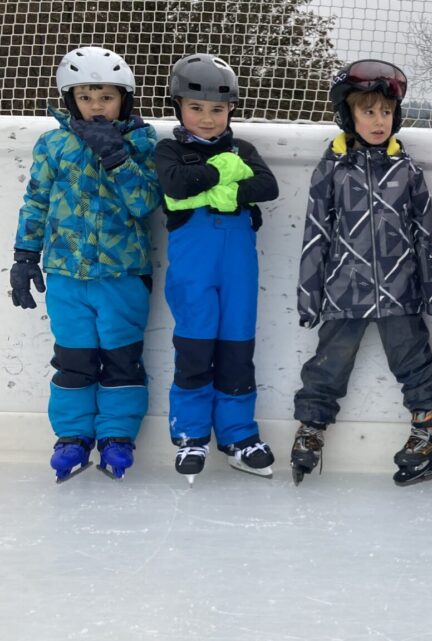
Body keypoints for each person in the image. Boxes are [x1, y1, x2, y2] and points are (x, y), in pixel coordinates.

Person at [292, 60, 432, 487]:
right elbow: (315, 234)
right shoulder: (332, 170)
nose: (378, 121)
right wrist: (309, 296)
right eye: (368, 111)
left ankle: (428, 428)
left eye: (385, 112)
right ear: (348, 116)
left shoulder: (407, 171)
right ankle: (310, 428)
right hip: (344, 291)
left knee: (414, 360)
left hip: (400, 292)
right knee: (329, 363)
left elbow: (426, 235)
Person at [12, 46, 161, 482]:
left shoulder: (141, 142)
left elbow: (146, 203)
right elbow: (36, 201)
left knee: (121, 360)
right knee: (73, 359)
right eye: (86, 96)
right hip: (66, 276)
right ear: (70, 98)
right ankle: (73, 435)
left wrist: (117, 157)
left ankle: (116, 434)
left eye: (107, 97)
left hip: (123, 276)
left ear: (124, 99)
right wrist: (25, 256)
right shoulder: (54, 144)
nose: (96, 106)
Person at [158, 53, 279, 485]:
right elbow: (174, 184)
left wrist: (219, 188)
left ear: (230, 110)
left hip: (239, 271)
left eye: (217, 109)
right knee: (194, 348)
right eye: (196, 108)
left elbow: (266, 185)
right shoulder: (170, 149)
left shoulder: (243, 148)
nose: (207, 119)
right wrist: (223, 171)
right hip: (194, 271)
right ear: (178, 107)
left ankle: (238, 435)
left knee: (236, 351)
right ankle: (191, 434)